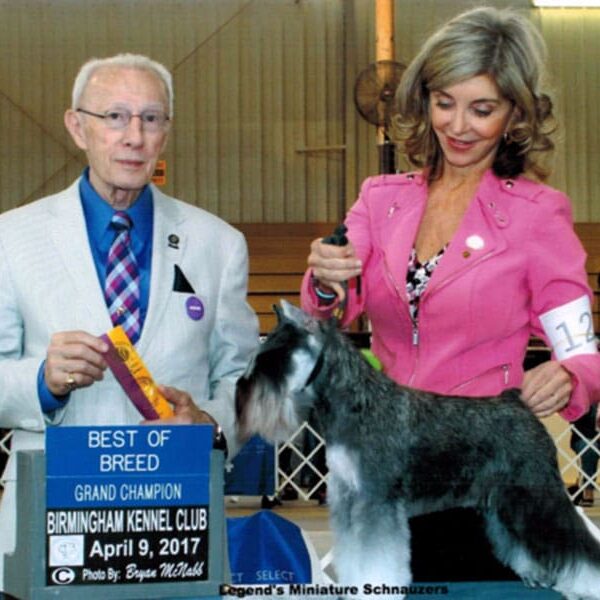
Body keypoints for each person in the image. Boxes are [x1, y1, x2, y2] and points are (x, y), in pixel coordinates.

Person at [301, 7, 600, 581]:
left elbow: (582, 351)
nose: (459, 125)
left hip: (483, 472)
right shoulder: (380, 198)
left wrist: (570, 375)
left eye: (482, 109)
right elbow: (330, 311)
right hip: (383, 468)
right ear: (423, 100)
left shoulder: (539, 217)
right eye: (445, 102)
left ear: (515, 113)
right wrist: (324, 277)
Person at [0, 53, 259, 588]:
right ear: (78, 127)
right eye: (114, 116)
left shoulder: (219, 245)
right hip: (51, 511)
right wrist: (42, 382)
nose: (134, 136)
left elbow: (245, 383)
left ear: (167, 131)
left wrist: (209, 424)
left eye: (151, 118)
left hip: (175, 522)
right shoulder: (10, 239)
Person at [569, 404, 600, 506]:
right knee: (590, 447)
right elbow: (576, 422)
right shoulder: (584, 397)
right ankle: (588, 489)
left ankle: (581, 483)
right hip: (585, 437)